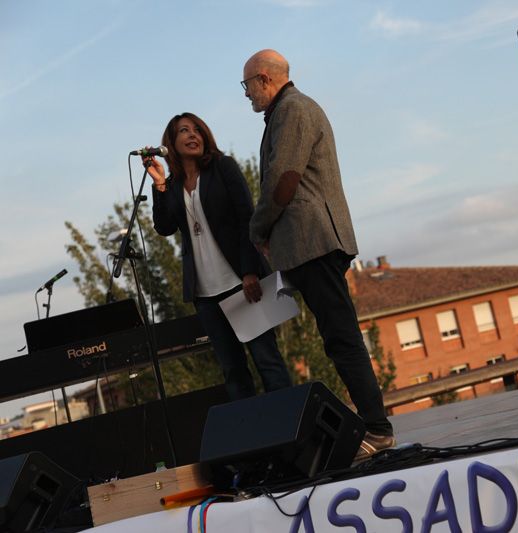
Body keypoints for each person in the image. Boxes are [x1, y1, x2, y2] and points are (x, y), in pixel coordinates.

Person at [242, 50, 395, 460]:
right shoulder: (288, 110)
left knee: (341, 337)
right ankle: (374, 425)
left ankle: (378, 430)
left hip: (314, 243)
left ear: (264, 80)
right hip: (311, 245)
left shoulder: (292, 109)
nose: (246, 94)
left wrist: (258, 229)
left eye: (247, 86)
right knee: (337, 337)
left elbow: (283, 179)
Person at [143, 112, 292, 400]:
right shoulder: (173, 185)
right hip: (205, 295)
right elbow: (164, 227)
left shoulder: (223, 167)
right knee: (233, 372)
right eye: (184, 131)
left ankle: (292, 424)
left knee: (268, 362)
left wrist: (249, 271)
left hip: (242, 282)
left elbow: (247, 218)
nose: (193, 135)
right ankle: (252, 428)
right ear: (171, 143)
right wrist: (159, 184)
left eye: (197, 130)